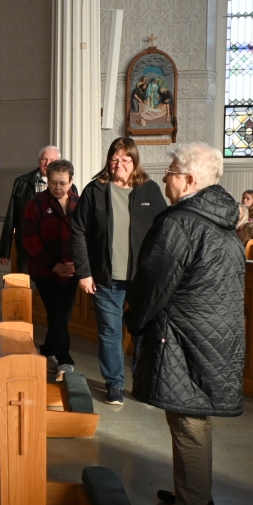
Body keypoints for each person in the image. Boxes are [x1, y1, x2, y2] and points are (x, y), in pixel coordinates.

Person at [124, 142, 245, 505]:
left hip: (184, 332)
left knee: (187, 418)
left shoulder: (181, 222)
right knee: (193, 416)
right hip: (213, 331)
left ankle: (192, 504)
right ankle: (192, 491)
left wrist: (134, 320)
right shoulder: (220, 221)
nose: (164, 177)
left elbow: (153, 282)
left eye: (172, 171)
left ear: (189, 180)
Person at [70, 137, 167, 405]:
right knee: (110, 333)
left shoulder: (151, 191)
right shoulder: (95, 190)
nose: (119, 164)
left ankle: (141, 380)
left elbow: (164, 233)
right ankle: (114, 384)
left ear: (135, 162)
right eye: (114, 159)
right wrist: (84, 272)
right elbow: (78, 231)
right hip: (105, 278)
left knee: (143, 332)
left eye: (125, 159)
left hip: (142, 280)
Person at [21, 160, 79, 382]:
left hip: (73, 271)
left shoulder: (80, 203)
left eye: (62, 183)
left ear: (71, 181)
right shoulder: (35, 204)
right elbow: (30, 241)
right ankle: (65, 359)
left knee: (63, 315)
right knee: (56, 313)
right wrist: (55, 265)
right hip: (45, 271)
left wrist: (76, 265)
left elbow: (86, 237)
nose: (57, 187)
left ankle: (48, 348)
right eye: (53, 182)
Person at [0, 145, 62, 272]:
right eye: (44, 159)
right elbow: (11, 217)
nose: (48, 163)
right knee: (25, 284)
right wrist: (4, 251)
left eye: (52, 161)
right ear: (39, 161)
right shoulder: (22, 182)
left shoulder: (67, 185)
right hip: (27, 243)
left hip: (55, 245)